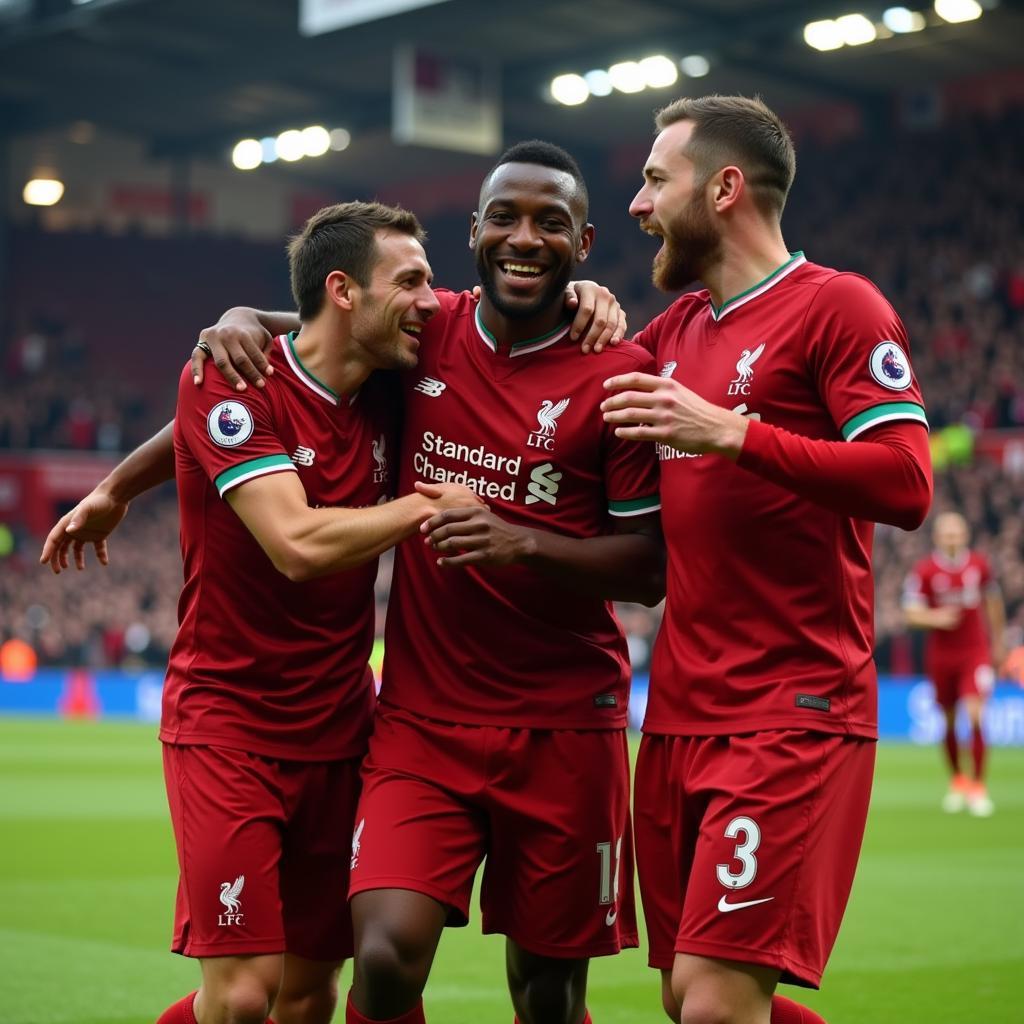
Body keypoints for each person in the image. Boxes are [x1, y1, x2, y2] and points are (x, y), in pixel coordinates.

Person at [41, 144, 660, 1024]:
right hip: (369, 722)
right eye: (504, 219)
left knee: (442, 993)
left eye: (551, 223)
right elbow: (276, 360)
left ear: (586, 242)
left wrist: (513, 540)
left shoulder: (592, 367)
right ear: (476, 232)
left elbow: (651, 565)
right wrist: (119, 482)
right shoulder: (425, 334)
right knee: (342, 966)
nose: (523, 239)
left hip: (521, 721)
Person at [45, 200, 484, 1024]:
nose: (434, 300)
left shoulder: (391, 384)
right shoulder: (234, 379)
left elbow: (492, 330)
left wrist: (114, 487)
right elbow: (296, 543)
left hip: (341, 729)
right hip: (230, 725)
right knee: (245, 993)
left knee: (309, 990)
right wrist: (429, 506)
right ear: (346, 290)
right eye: (415, 280)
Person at [600, 96, 933, 1024]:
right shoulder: (669, 338)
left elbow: (907, 482)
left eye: (654, 181)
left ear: (725, 188)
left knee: (714, 1001)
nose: (637, 204)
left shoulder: (837, 307)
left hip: (793, 709)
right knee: (685, 998)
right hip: (676, 719)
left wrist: (736, 434)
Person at [903, 511, 1005, 816]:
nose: (952, 539)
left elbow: (993, 603)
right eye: (947, 534)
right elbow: (910, 611)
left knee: (975, 714)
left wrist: (997, 643)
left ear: (965, 536)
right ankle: (958, 780)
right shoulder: (924, 571)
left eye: (957, 533)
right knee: (948, 719)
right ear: (937, 537)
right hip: (941, 654)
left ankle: (978, 786)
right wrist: (935, 617)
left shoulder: (979, 566)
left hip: (974, 651)